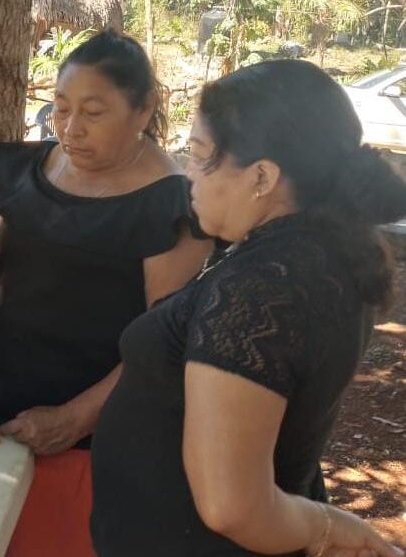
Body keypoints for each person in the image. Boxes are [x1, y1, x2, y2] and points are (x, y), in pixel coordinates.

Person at [91, 59, 406, 557]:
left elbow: (231, 505)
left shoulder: (264, 287)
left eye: (198, 155)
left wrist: (330, 527)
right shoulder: (316, 250)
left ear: (261, 176)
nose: (187, 173)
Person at [0, 30, 214, 557]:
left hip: (91, 438)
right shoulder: (29, 170)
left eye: (94, 112)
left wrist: (76, 418)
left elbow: (163, 342)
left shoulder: (170, 208)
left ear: (143, 109)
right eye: (60, 108)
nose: (70, 129)